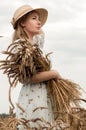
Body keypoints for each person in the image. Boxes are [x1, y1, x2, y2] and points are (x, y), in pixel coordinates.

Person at [11, 5, 62, 129]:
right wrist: (54, 74)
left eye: (39, 19)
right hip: (33, 100)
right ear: (23, 22)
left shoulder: (37, 46)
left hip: (46, 97)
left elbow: (41, 34)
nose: (39, 22)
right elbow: (24, 78)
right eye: (34, 18)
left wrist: (35, 29)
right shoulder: (20, 46)